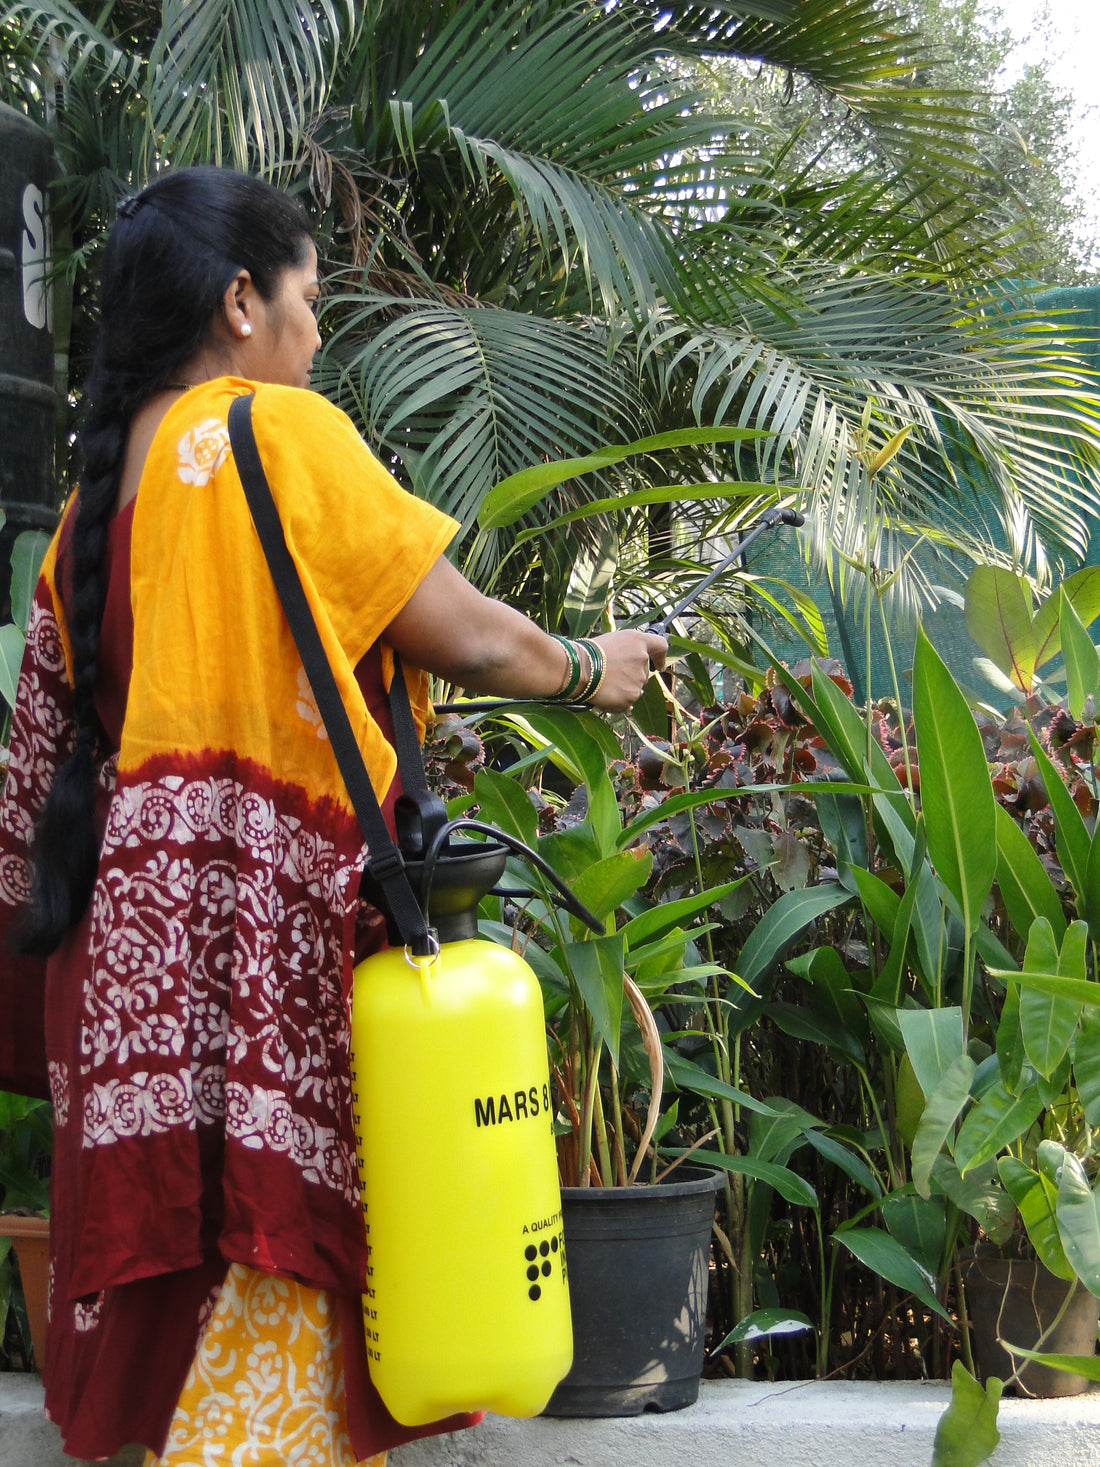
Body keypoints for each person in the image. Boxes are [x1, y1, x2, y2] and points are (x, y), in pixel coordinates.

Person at [0, 166, 666, 1466]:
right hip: (262, 968)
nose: (317, 333)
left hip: (128, 1002)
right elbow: (467, 632)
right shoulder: (271, 433)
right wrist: (599, 667)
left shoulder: (87, 512)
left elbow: (31, 790)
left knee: (177, 1335)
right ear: (242, 303)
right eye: (310, 299)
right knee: (268, 1307)